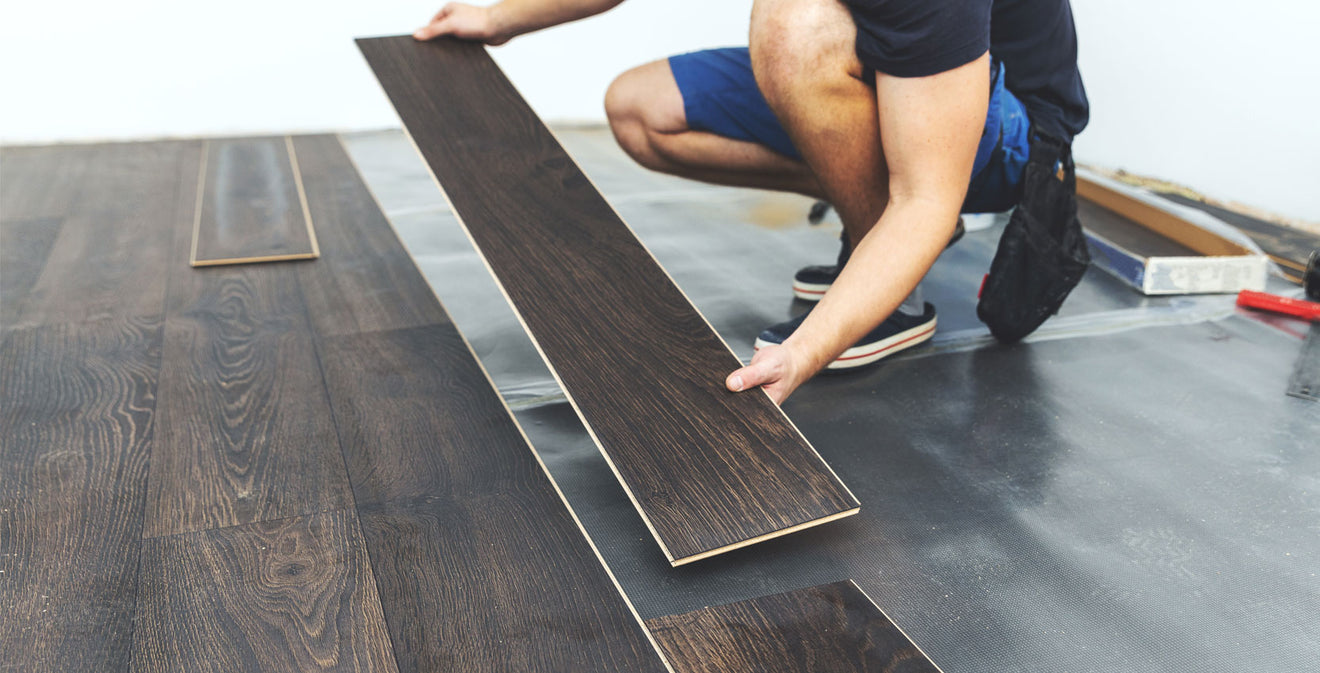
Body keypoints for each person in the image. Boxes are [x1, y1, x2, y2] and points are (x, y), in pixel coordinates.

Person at [414, 0, 1088, 403]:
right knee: (641, 110)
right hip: (888, 71)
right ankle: (874, 239)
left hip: (1009, 135)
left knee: (791, 29)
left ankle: (896, 297)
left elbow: (925, 199)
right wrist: (497, 18)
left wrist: (808, 348)